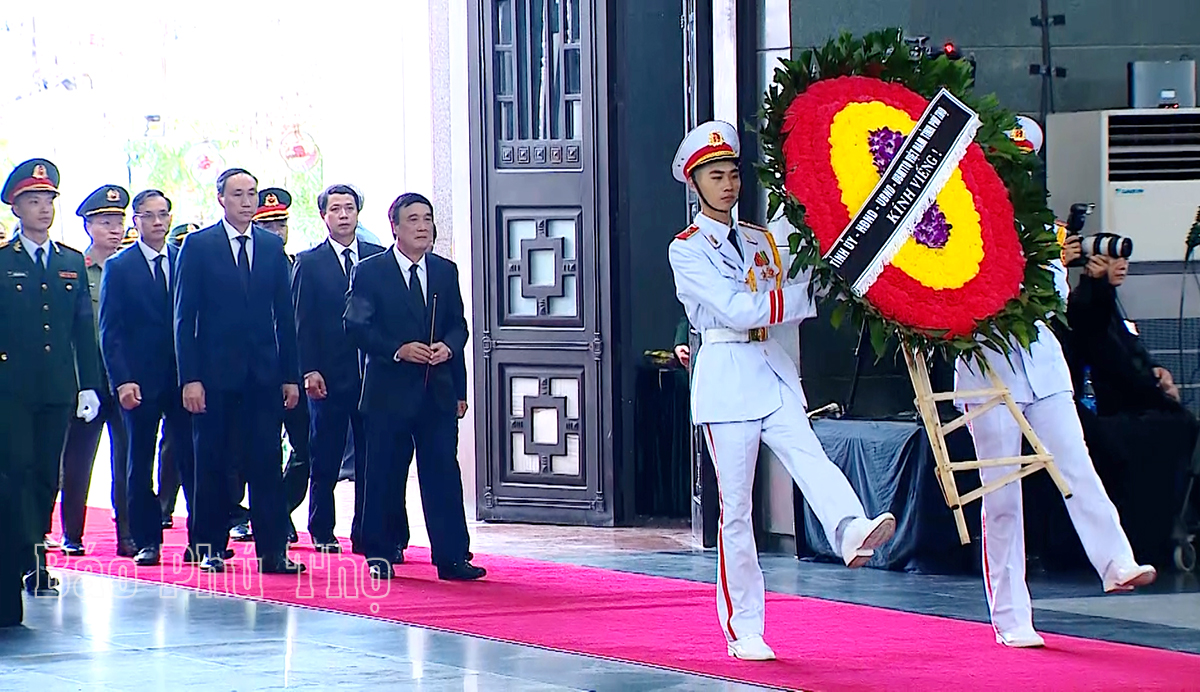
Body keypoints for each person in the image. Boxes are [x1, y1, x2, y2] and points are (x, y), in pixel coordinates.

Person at [668, 122, 895, 661]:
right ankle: (744, 626)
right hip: (726, 374)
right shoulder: (687, 250)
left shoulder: (761, 239)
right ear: (695, 183)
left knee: (808, 452)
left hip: (771, 366)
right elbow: (739, 308)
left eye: (731, 174)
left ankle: (849, 529)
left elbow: (808, 278)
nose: (727, 184)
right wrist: (800, 298)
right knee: (738, 509)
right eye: (714, 176)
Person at [955, 231, 1157, 648]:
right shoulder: (955, 207)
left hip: (1043, 366)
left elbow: (1055, 300)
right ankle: (1011, 617)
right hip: (986, 369)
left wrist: (1055, 262)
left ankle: (1115, 560)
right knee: (1003, 496)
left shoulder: (1041, 224)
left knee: (1077, 465)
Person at [174, 168, 305, 574]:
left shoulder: (269, 247)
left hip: (263, 377)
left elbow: (286, 317)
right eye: (239, 194)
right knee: (212, 463)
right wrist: (189, 378)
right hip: (213, 377)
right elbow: (184, 318)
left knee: (266, 462)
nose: (247, 201)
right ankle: (210, 545)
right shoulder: (198, 246)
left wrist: (290, 375)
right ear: (221, 199)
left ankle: (272, 551)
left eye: (252, 193)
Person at [346, 192, 482, 581]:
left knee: (442, 473)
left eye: (427, 219)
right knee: (385, 473)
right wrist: (398, 350)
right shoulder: (370, 271)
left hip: (436, 392)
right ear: (395, 227)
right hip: (388, 393)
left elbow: (459, 326)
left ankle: (453, 556)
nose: (423, 227)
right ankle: (381, 550)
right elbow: (356, 326)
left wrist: (449, 352)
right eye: (414, 220)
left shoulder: (444, 270)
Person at [0, 159, 103, 624]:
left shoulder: (68, 262)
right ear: (16, 208)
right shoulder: (4, 262)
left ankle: (36, 552)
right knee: (16, 471)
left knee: (47, 476)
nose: (43, 209)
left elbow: (84, 329)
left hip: (58, 385)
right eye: (33, 202)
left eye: (48, 202)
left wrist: (89, 384)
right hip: (12, 389)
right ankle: (22, 556)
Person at [99, 189, 196, 566]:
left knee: (191, 458)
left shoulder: (184, 259)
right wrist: (122, 380)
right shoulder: (121, 266)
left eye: (163, 214)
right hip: (139, 381)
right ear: (135, 221)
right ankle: (146, 540)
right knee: (139, 460)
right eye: (149, 216)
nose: (158, 222)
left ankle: (201, 540)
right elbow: (111, 331)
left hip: (183, 378)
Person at [293, 184, 385, 554]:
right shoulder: (309, 262)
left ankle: (366, 530)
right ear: (323, 216)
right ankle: (321, 528)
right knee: (325, 456)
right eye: (336, 209)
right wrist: (309, 370)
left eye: (350, 208)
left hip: (372, 377)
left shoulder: (378, 258)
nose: (344, 215)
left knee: (372, 459)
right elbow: (301, 323)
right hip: (328, 377)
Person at [57, 185, 136, 558]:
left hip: (123, 379)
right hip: (85, 381)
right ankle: (72, 533)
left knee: (129, 460)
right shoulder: (75, 269)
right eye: (105, 222)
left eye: (118, 221)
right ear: (89, 226)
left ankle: (128, 535)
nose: (114, 229)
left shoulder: (132, 270)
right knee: (77, 463)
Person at [238, 187, 313, 545]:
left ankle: (277, 511)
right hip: (254, 372)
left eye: (280, 224)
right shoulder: (243, 263)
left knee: (305, 449)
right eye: (266, 225)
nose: (276, 232)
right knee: (251, 451)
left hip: (293, 372)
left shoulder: (297, 266)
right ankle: (242, 515)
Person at [155, 222, 198, 528]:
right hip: (164, 369)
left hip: (197, 368)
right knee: (171, 444)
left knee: (195, 446)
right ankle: (164, 506)